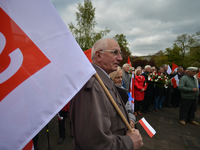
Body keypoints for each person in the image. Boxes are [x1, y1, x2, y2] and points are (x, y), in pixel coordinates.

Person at [70, 38, 143, 150]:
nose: (120, 58)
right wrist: (129, 142)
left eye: (120, 53)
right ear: (98, 55)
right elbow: (94, 144)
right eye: (115, 52)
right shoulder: (92, 87)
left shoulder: (103, 81)